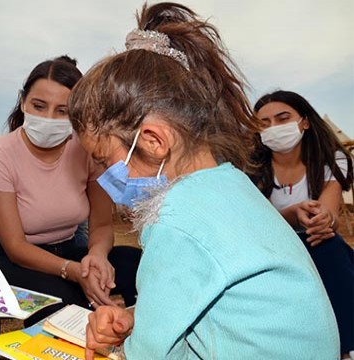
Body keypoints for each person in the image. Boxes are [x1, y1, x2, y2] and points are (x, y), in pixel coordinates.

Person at [69, 3, 339, 358]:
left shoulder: (177, 221)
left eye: (105, 160)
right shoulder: (230, 185)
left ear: (153, 141)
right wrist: (136, 320)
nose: (104, 176)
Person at [0, 56, 140, 327]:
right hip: (8, 257)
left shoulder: (86, 149)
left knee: (135, 264)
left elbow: (100, 225)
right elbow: (16, 247)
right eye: (39, 106)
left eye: (62, 111)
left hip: (68, 249)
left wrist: (96, 257)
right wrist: (74, 271)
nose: (48, 118)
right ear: (23, 102)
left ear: (78, 112)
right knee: (63, 300)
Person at [251, 90, 354, 357]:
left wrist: (322, 218)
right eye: (264, 123)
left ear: (304, 122)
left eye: (282, 118)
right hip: (271, 248)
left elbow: (329, 211)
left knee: (327, 245)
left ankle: (344, 349)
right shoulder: (251, 169)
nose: (274, 127)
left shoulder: (330, 159)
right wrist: (291, 213)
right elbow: (254, 223)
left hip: (315, 243)